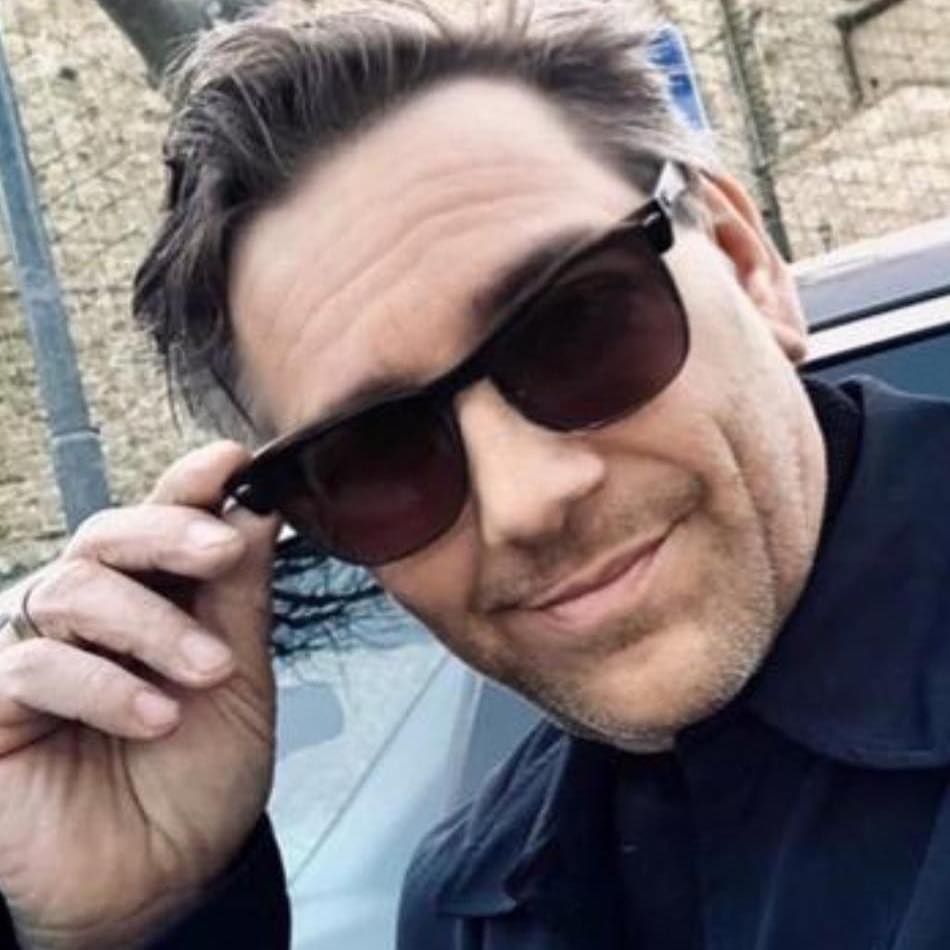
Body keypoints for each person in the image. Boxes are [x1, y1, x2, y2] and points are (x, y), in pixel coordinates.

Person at [2, 1, 950, 947]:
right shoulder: (472, 909)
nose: (526, 502)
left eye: (577, 327)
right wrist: (154, 924)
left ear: (747, 268)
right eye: (380, 455)